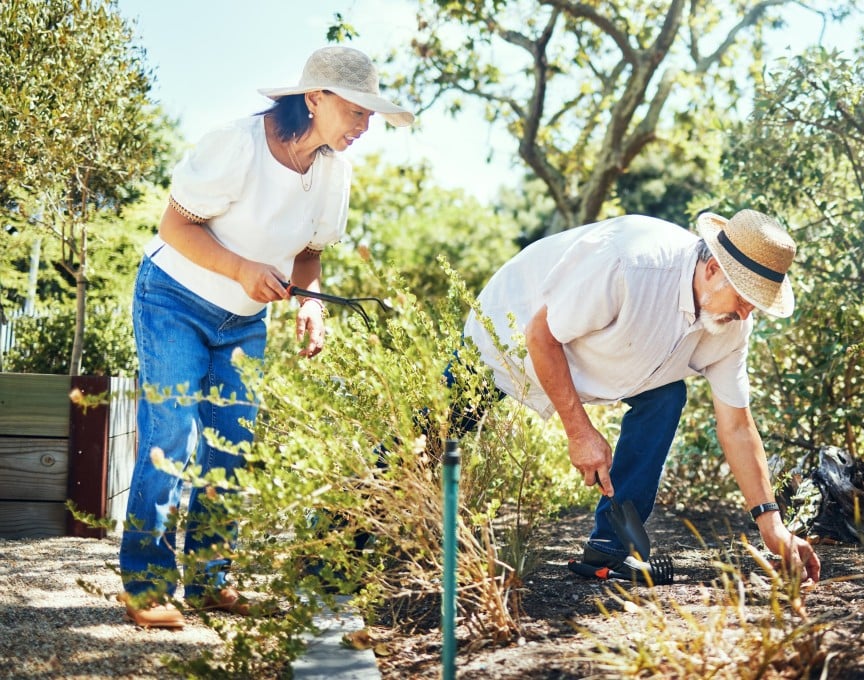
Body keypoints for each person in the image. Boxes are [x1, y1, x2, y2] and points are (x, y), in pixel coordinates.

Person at [118, 46, 413, 629]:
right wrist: (242, 270)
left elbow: (309, 252)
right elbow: (175, 225)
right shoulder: (238, 144)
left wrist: (309, 303)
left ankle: (208, 581)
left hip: (245, 321)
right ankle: (147, 583)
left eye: (371, 115)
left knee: (232, 445)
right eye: (358, 111)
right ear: (315, 99)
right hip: (173, 301)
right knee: (171, 434)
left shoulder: (333, 170)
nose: (365, 125)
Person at [463, 209, 821, 584]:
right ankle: (398, 508)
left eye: (757, 303)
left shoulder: (732, 327)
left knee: (665, 397)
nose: (747, 313)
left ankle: (610, 548)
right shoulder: (631, 263)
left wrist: (773, 527)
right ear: (714, 269)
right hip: (503, 339)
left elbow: (737, 427)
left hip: (596, 359)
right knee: (432, 432)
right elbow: (540, 334)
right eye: (745, 296)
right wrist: (580, 432)